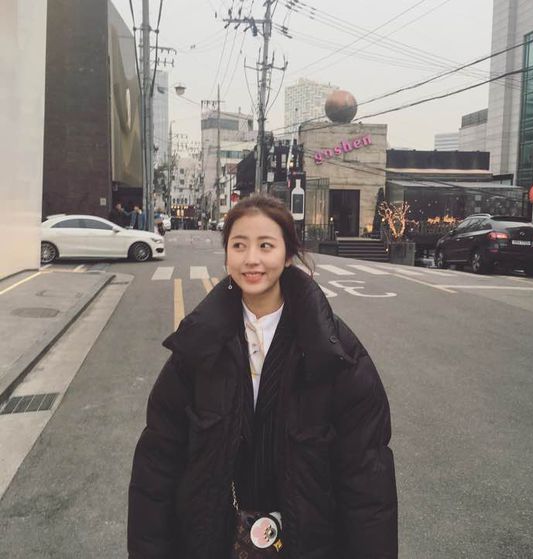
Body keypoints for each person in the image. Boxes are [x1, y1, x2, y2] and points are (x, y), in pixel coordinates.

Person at [128, 194, 397, 558]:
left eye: (266, 245)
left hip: (309, 543)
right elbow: (157, 466)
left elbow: (367, 480)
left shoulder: (332, 350)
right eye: (239, 245)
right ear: (227, 254)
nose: (251, 259)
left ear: (287, 255)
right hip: (210, 541)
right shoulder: (199, 345)